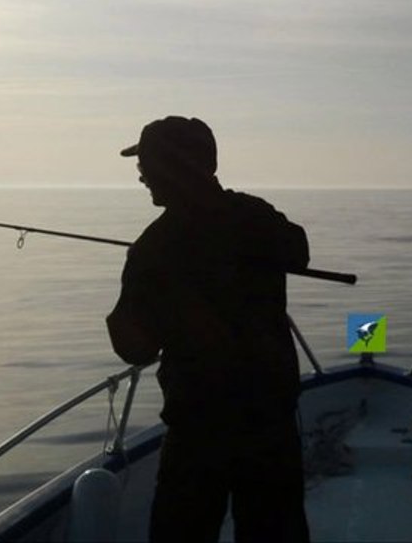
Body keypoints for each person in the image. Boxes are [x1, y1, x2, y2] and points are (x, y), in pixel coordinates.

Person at [106, 115, 311, 543]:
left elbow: (136, 349)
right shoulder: (256, 216)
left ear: (170, 165)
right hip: (270, 428)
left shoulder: (154, 248)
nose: (141, 175)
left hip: (197, 433)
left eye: (146, 163)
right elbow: (299, 250)